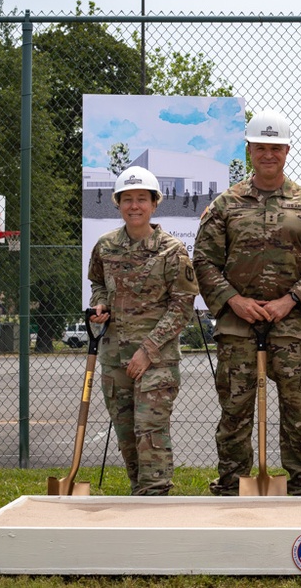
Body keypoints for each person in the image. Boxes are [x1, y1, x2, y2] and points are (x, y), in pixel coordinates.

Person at [193, 109, 301, 496]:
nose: (268, 154)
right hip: (238, 326)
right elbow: (204, 261)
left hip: (290, 327)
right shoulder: (225, 205)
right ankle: (233, 484)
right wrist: (232, 301)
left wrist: (290, 301)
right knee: (235, 414)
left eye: (275, 147)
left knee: (299, 414)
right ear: (249, 151)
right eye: (260, 148)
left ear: (287, 150)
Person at [88, 165, 197, 495]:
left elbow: (182, 306)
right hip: (114, 358)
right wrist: (100, 305)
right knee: (126, 436)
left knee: (150, 433)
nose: (134, 206)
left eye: (141, 199)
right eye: (127, 199)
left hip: (156, 361)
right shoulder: (105, 247)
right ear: (118, 203)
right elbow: (97, 283)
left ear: (154, 203)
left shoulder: (171, 250)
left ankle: (156, 499)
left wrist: (147, 351)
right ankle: (139, 497)